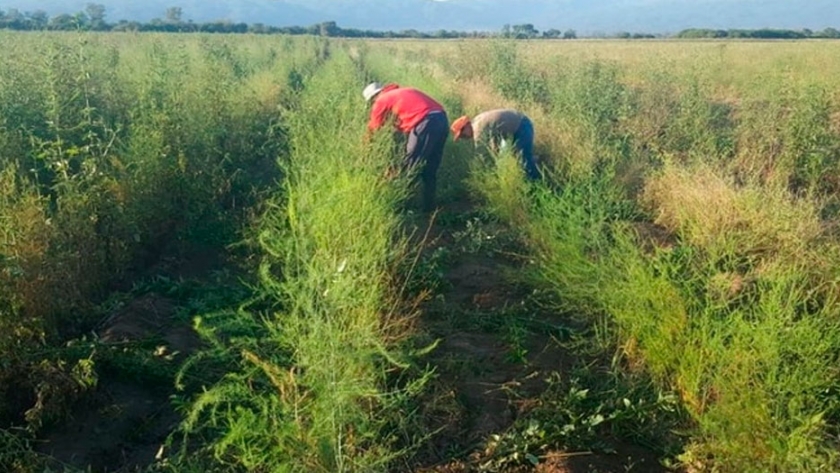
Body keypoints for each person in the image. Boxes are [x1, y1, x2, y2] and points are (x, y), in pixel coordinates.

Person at [364, 82, 449, 212]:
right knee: (429, 168)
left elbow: (373, 128)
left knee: (409, 167)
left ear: (373, 98)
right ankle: (429, 208)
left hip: (425, 122)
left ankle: (402, 207)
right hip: (442, 119)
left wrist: (365, 148)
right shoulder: (402, 92)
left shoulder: (381, 100)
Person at [450, 109, 541, 180]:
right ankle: (536, 162)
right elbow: (494, 141)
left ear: (466, 126)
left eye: (462, 135)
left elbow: (483, 156)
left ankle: (537, 183)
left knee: (523, 159)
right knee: (515, 157)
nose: (464, 138)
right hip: (518, 125)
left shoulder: (478, 130)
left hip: (522, 125)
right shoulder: (478, 122)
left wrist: (489, 175)